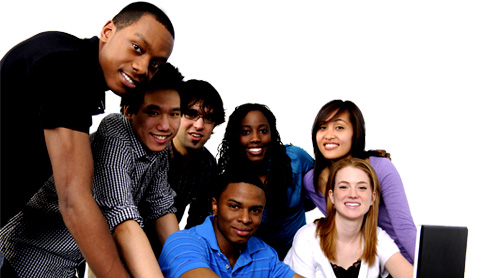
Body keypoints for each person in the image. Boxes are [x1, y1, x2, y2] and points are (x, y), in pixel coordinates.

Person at [0, 2, 175, 277]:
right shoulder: (67, 69)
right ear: (108, 30)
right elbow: (74, 199)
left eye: (155, 64)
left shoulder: (73, 62)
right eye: (137, 48)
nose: (142, 68)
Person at [303, 99, 416, 263]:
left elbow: (405, 229)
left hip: (399, 261)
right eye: (322, 127)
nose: (329, 135)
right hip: (359, 265)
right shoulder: (311, 181)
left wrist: (426, 270)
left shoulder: (381, 168)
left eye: (339, 127)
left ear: (356, 133)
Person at [159, 169, 303, 278]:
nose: (245, 219)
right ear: (215, 206)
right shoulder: (182, 243)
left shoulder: (265, 254)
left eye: (255, 210)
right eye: (234, 207)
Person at [285, 158, 413, 278]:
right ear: (331, 196)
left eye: (362, 188)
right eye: (343, 187)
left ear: (373, 198)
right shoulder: (308, 237)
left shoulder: (378, 238)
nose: (353, 194)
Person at [217, 103, 315, 260]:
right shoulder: (231, 179)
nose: (255, 138)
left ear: (272, 133)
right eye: (246, 132)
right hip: (258, 262)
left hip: (301, 257)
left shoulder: (296, 159)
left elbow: (317, 194)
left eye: (263, 131)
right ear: (236, 136)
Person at [146, 79, 225, 256]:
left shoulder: (208, 165)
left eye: (208, 118)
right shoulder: (150, 150)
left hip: (166, 250)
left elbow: (198, 225)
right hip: (117, 242)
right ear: (176, 114)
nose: (199, 125)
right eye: (191, 113)